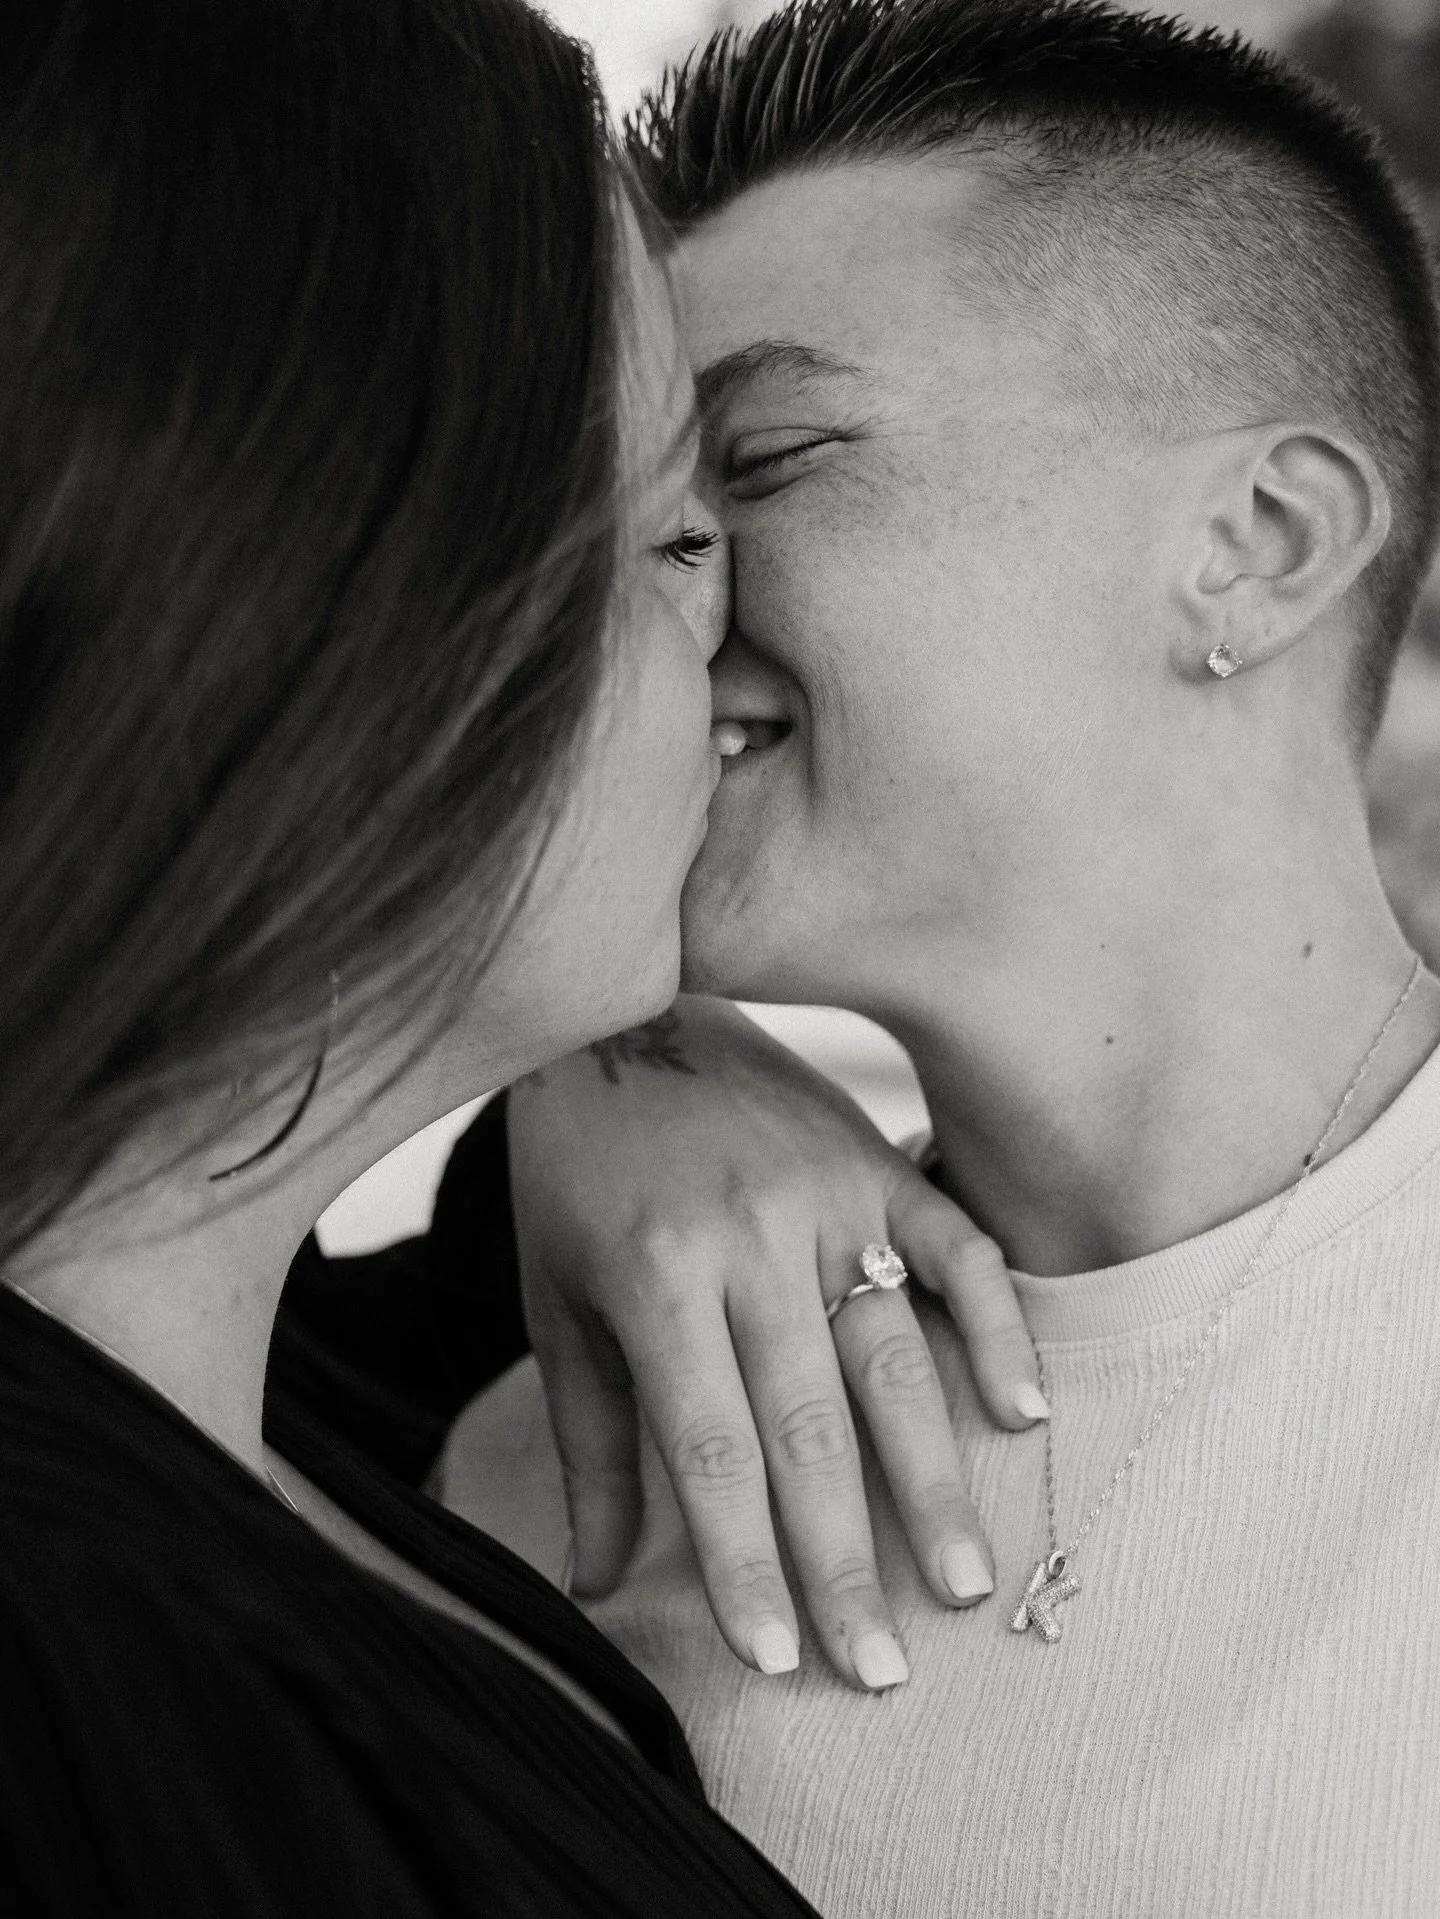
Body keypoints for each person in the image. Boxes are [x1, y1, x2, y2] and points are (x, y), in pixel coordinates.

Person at [0, 1, 1018, 1909]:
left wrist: (619, 1063)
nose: (728, 664)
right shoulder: (80, 1689)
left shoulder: (270, 1390)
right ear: (339, 628)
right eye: (676, 539)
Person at [442, 1, 1440, 1913]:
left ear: (1259, 539)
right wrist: (603, 1048)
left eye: (767, 456)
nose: (641, 599)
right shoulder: (558, 1454)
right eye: (620, 513)